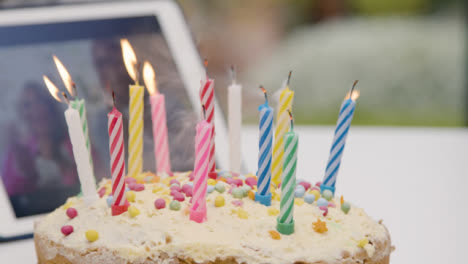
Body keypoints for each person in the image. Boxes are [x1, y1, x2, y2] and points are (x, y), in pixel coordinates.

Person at [1, 81, 78, 196]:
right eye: (27, 105)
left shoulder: (75, 143)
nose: (36, 110)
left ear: (51, 106)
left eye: (41, 101)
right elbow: (9, 199)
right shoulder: (16, 155)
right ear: (22, 113)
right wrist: (25, 172)